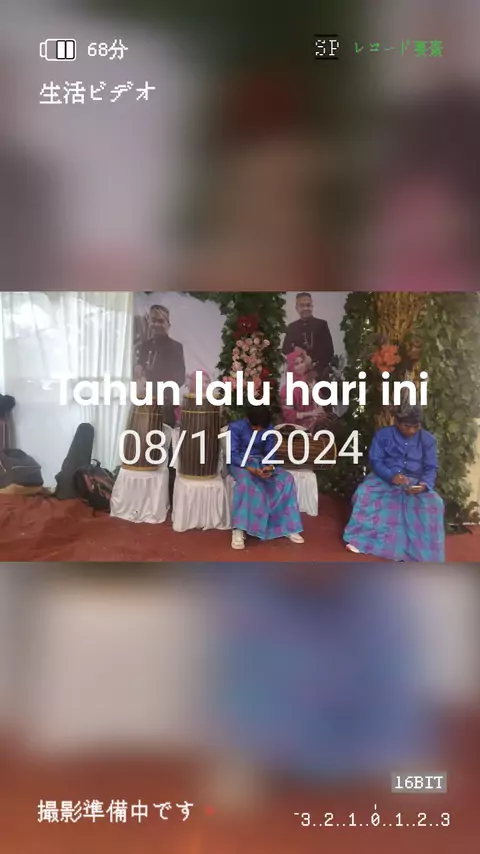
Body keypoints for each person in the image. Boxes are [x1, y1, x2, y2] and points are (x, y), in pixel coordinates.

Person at [343, 404, 445, 561]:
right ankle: (362, 541)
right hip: (384, 478)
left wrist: (424, 485)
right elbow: (376, 461)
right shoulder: (383, 435)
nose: (412, 431)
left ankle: (422, 552)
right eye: (407, 426)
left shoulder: (428, 440)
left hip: (415, 482)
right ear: (397, 422)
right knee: (365, 492)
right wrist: (391, 476)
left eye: (416, 426)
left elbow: (431, 468)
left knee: (435, 503)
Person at [228, 405, 304, 550]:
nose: (258, 430)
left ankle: (287, 527)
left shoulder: (268, 428)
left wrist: (269, 467)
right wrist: (251, 469)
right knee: (245, 482)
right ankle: (239, 529)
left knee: (287, 479)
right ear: (247, 419)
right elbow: (233, 455)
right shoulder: (235, 427)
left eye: (261, 427)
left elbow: (270, 452)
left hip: (260, 462)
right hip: (240, 464)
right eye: (255, 427)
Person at [134, 305, 186, 427]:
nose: (156, 324)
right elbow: (141, 368)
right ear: (149, 322)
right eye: (153, 320)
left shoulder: (176, 347)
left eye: (161, 321)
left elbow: (180, 378)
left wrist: (157, 387)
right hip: (144, 404)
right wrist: (138, 368)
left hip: (165, 405)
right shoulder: (145, 346)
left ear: (168, 325)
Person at [282, 292, 334, 380]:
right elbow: (285, 350)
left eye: (308, 305)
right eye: (302, 305)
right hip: (298, 375)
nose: (306, 308)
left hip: (319, 373)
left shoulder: (322, 325)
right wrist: (297, 351)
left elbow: (329, 352)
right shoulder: (292, 327)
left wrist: (313, 363)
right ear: (297, 308)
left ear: (312, 306)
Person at [279, 347, 329, 431]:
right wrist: (311, 414)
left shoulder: (310, 380)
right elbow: (289, 415)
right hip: (297, 428)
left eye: (302, 362)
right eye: (296, 364)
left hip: (316, 424)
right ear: (291, 367)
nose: (301, 366)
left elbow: (318, 399)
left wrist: (320, 409)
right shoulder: (287, 389)